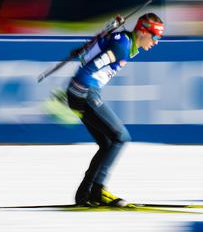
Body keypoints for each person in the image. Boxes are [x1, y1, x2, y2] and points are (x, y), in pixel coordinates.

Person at [66, 12, 164, 207]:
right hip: (85, 92)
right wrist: (79, 92)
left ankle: (86, 194)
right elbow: (90, 67)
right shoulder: (122, 45)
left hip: (81, 92)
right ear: (143, 32)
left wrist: (87, 48)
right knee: (121, 136)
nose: (156, 42)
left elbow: (89, 55)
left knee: (108, 142)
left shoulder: (124, 42)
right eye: (154, 37)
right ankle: (99, 191)